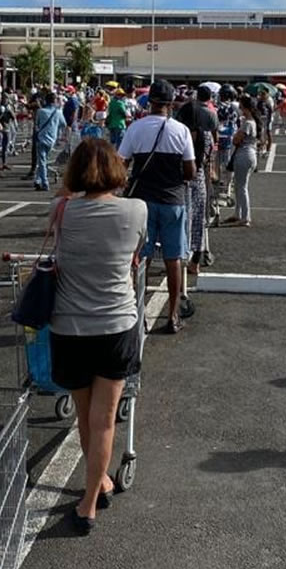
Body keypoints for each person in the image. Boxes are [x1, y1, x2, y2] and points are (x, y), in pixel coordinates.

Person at [50, 139, 146, 534]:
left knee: (86, 418)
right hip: (115, 323)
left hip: (69, 325)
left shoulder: (62, 210)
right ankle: (91, 497)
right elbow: (135, 255)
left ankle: (96, 485)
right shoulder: (135, 209)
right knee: (104, 418)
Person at [118, 79, 196, 334]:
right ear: (171, 103)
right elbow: (190, 171)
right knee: (173, 260)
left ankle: (137, 314)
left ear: (149, 102)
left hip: (142, 202)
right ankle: (172, 315)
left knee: (141, 258)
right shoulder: (181, 130)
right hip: (173, 200)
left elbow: (121, 164)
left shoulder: (136, 128)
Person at [175, 85, 220, 275]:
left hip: (179, 181)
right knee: (198, 221)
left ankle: (177, 257)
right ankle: (196, 260)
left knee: (181, 221)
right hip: (200, 177)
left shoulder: (177, 134)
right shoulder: (207, 133)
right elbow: (211, 151)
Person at [224, 96, 261, 229]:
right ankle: (238, 213)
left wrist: (235, 134)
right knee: (239, 186)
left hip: (244, 155)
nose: (239, 108)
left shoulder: (248, 123)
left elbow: (236, 140)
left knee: (241, 187)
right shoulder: (250, 122)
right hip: (248, 155)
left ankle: (245, 217)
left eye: (241, 106)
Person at [33, 91, 64, 191]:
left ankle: (44, 182)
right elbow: (63, 124)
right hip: (52, 139)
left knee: (42, 161)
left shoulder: (40, 111)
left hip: (41, 138)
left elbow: (36, 125)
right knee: (44, 160)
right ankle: (38, 180)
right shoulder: (58, 112)